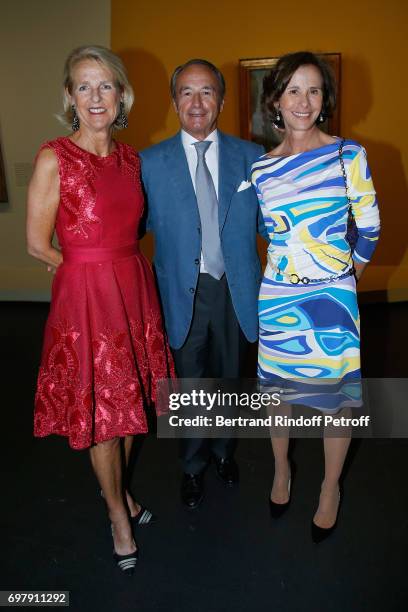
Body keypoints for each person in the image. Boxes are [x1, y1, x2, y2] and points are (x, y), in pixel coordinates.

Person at [26, 45, 174, 574]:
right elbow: (37, 243)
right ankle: (117, 513)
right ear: (69, 97)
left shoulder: (132, 158)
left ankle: (123, 495)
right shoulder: (54, 157)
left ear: (122, 96)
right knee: (103, 419)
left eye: (105, 86)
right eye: (84, 86)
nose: (95, 96)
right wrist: (82, 267)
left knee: (131, 405)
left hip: (133, 285)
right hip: (87, 295)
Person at [251, 51, 380, 541]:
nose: (303, 101)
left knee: (337, 399)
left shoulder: (350, 155)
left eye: (314, 90)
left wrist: (337, 280)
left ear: (325, 100)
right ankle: (282, 468)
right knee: (278, 395)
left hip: (332, 300)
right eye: (292, 90)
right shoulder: (262, 169)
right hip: (277, 297)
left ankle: (330, 487)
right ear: (276, 101)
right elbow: (272, 234)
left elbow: (368, 229)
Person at [140, 59, 269, 509]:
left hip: (236, 292)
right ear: (174, 101)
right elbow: (126, 227)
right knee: (190, 385)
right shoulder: (148, 163)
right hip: (181, 291)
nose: (197, 102)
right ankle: (192, 466)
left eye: (207, 92)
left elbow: (275, 226)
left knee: (231, 380)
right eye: (187, 93)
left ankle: (223, 451)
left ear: (222, 100)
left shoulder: (253, 158)